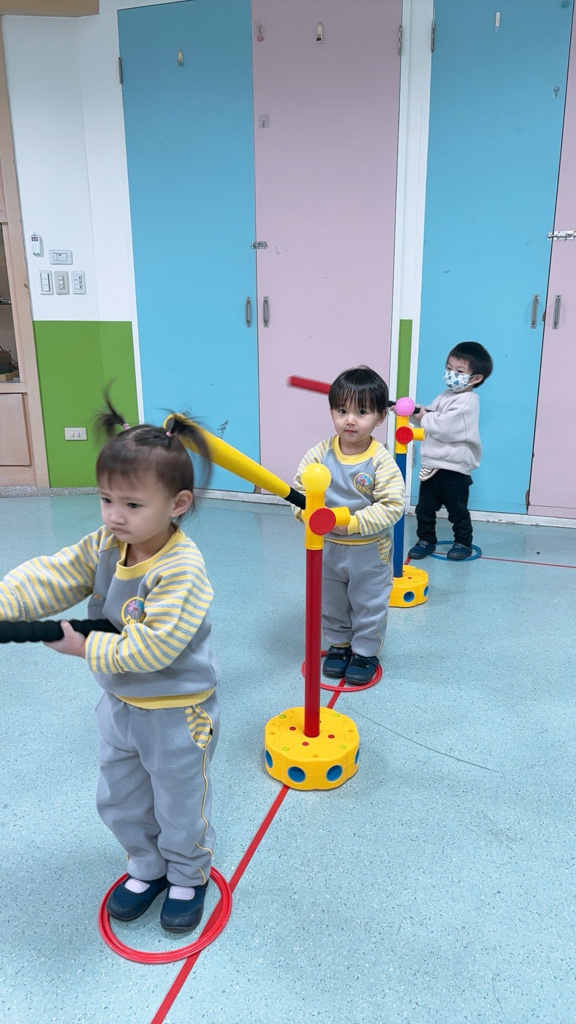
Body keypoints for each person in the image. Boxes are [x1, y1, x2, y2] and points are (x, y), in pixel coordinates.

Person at [0, 397, 220, 935]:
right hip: (120, 703)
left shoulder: (182, 569)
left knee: (178, 803)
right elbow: (55, 574)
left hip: (176, 712)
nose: (114, 515)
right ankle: (146, 866)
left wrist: (84, 647)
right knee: (120, 796)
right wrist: (5, 601)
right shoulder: (108, 543)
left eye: (132, 504)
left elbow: (154, 647)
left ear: (178, 504)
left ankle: (187, 874)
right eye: (105, 499)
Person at [294, 366, 404, 685]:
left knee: (368, 604)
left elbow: (393, 506)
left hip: (368, 551)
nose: (350, 420)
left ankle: (365, 652)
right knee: (331, 602)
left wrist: (352, 524)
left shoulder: (380, 460)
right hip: (327, 548)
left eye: (362, 412)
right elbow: (299, 493)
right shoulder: (319, 454)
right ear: (332, 411)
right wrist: (306, 515)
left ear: (380, 417)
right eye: (342, 411)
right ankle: (340, 645)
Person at [408, 341, 493, 561]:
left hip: (454, 468)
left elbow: (444, 426)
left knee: (457, 510)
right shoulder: (445, 395)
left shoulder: (468, 402)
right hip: (432, 464)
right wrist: (410, 412)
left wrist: (424, 416)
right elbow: (429, 416)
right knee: (424, 509)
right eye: (448, 368)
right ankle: (426, 540)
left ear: (476, 378)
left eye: (459, 371)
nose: (451, 374)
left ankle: (463, 543)